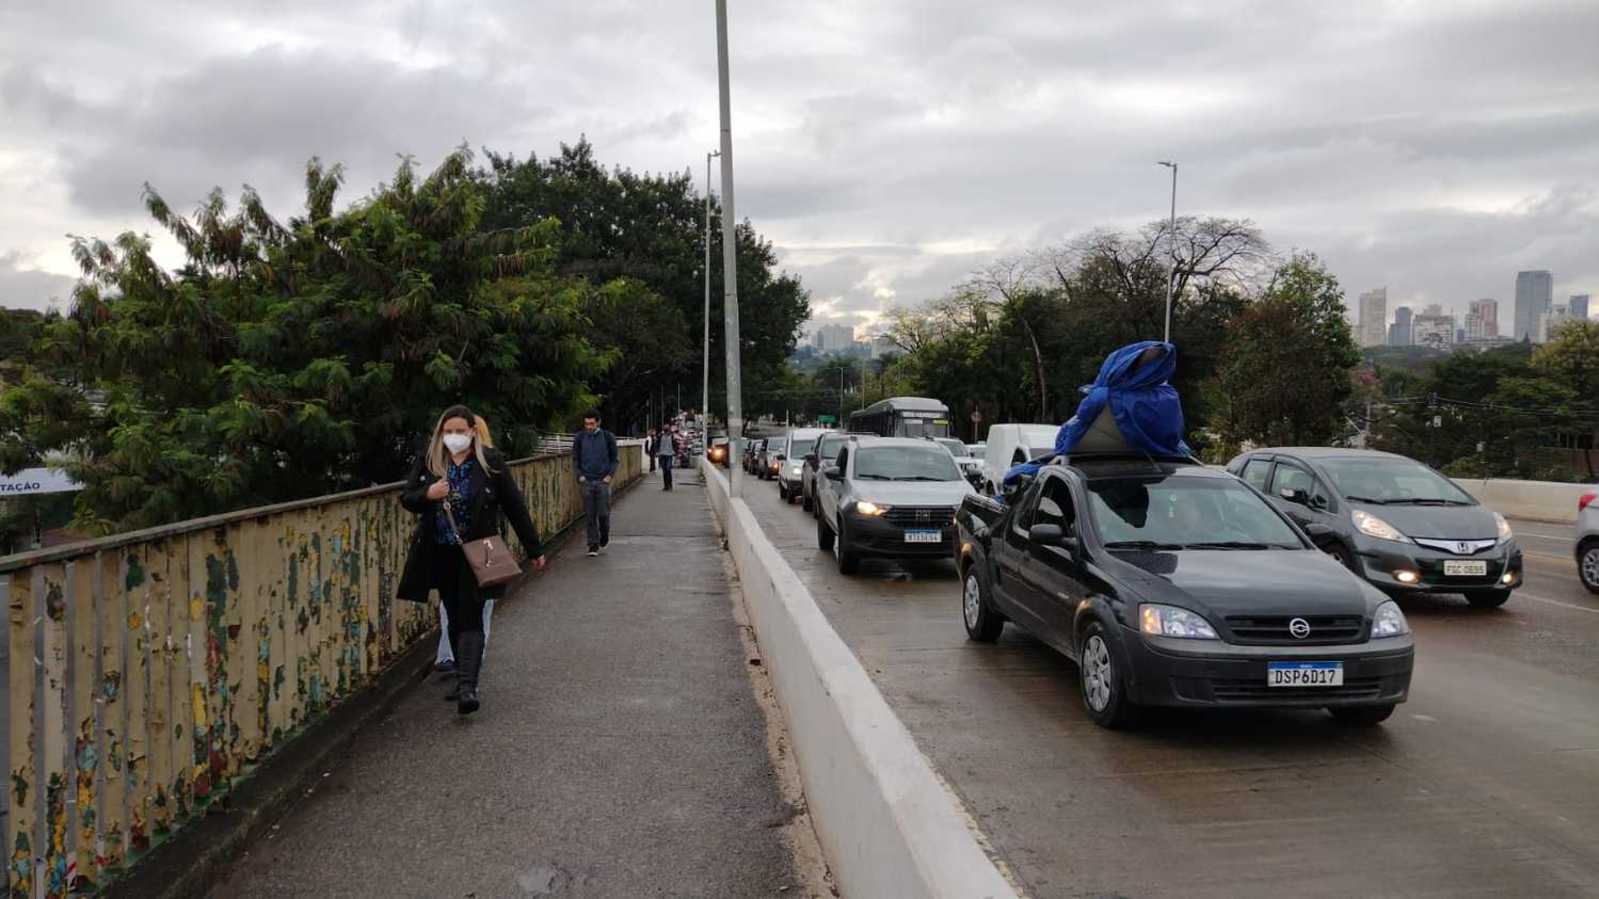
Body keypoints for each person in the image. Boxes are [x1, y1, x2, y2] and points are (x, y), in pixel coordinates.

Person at [399, 405, 546, 714]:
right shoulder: (431, 461)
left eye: (459, 432)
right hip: (440, 551)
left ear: (472, 432)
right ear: (441, 433)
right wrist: (429, 494)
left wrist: (535, 549)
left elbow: (514, 505)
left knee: (472, 613)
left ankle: (468, 686)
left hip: (480, 551)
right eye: (448, 431)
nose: (453, 437)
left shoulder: (489, 462)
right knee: (453, 614)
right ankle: (463, 678)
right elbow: (407, 497)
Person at [435, 415, 500, 677]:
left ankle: (459, 660)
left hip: (479, 544)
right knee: (469, 606)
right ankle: (461, 658)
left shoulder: (488, 464)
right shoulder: (449, 463)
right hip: (476, 545)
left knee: (470, 605)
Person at [573, 410, 619, 556]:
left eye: (591, 423)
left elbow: (614, 459)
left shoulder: (607, 437)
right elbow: (575, 459)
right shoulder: (580, 438)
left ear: (598, 422)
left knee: (603, 513)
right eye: (586, 424)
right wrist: (579, 475)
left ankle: (604, 533)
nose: (589, 427)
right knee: (590, 514)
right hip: (586, 480)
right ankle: (593, 544)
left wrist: (610, 475)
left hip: (602, 480)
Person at [656, 421, 677, 491]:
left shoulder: (672, 436)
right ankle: (666, 486)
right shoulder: (660, 436)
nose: (666, 429)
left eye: (667, 428)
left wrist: (675, 451)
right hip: (662, 454)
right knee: (664, 471)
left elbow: (675, 444)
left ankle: (670, 485)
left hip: (669, 455)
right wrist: (657, 451)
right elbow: (657, 444)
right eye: (665, 427)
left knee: (668, 469)